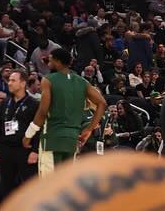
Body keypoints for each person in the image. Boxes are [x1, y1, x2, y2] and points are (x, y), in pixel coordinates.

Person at [28, 43, 106, 175]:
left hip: (52, 138)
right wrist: (88, 130)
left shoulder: (48, 80)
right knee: (65, 184)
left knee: (49, 184)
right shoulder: (82, 81)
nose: (48, 63)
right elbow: (102, 103)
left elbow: (43, 111)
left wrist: (28, 134)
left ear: (57, 62)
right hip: (72, 140)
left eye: (50, 59)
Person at [0, 68, 36, 203]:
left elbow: (38, 129)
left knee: (28, 185)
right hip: (6, 149)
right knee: (5, 185)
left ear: (23, 83)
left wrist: (35, 151)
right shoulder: (5, 103)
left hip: (25, 150)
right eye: (9, 80)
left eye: (13, 80)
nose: (9, 83)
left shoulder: (33, 104)